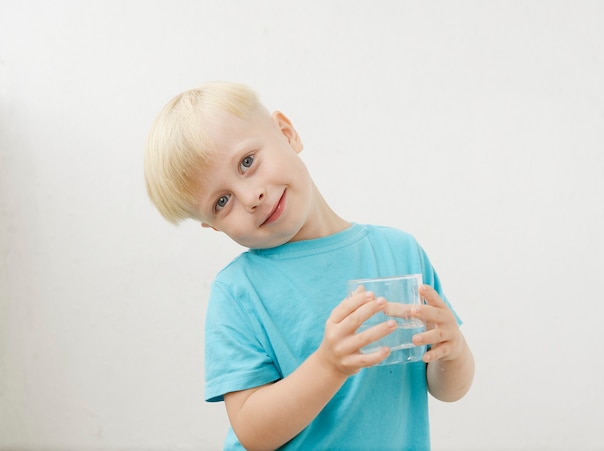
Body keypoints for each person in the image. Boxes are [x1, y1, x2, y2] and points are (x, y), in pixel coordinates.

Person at [144, 81, 474, 451]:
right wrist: (328, 366)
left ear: (286, 133)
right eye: (222, 201)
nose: (251, 197)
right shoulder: (238, 292)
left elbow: (448, 389)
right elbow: (253, 432)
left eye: (247, 162)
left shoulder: (401, 252)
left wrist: (454, 349)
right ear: (213, 227)